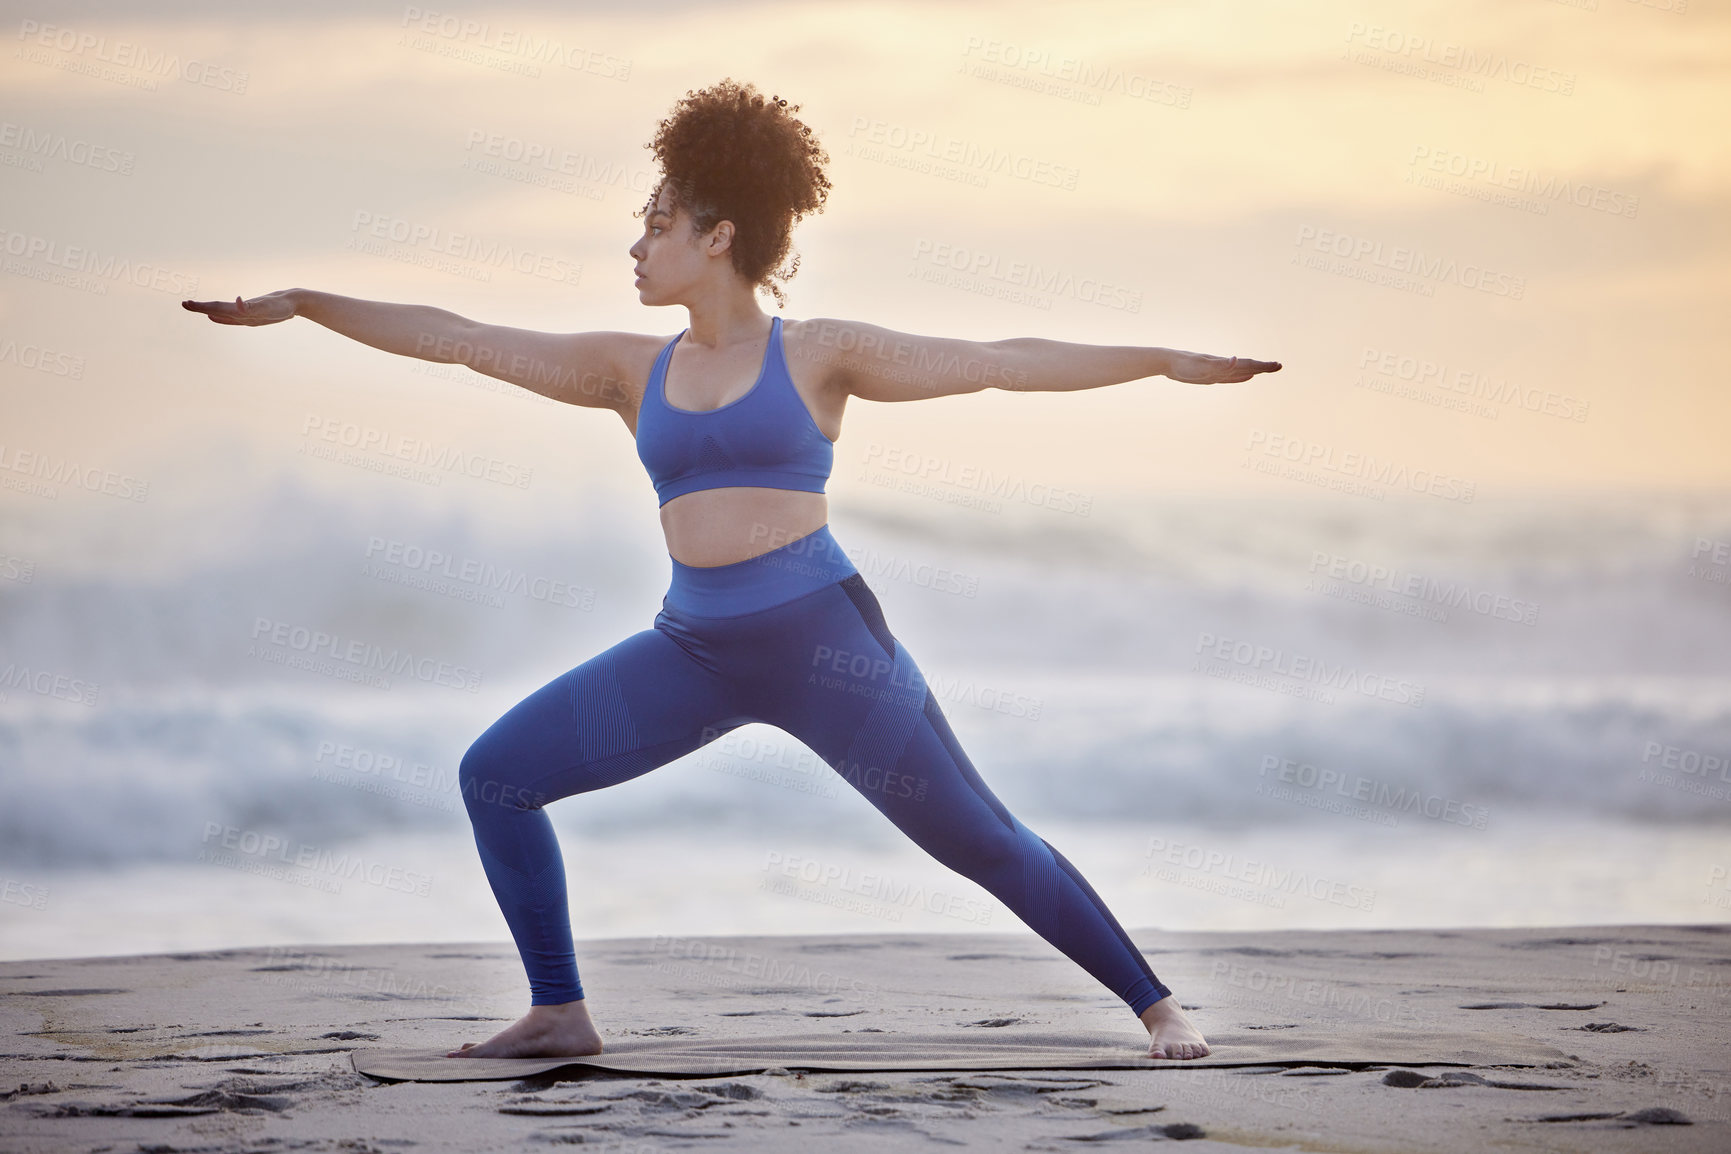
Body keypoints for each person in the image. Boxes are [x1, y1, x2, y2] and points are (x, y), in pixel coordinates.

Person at [184, 78, 1279, 1063]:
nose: (636, 244)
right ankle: (559, 1008)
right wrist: (306, 304)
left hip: (826, 647)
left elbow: (1002, 365)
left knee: (979, 836)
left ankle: (1156, 1004)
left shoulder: (820, 353)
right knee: (496, 775)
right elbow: (460, 335)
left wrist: (1164, 362)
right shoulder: (626, 369)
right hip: (695, 648)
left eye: (656, 223)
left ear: (718, 234)